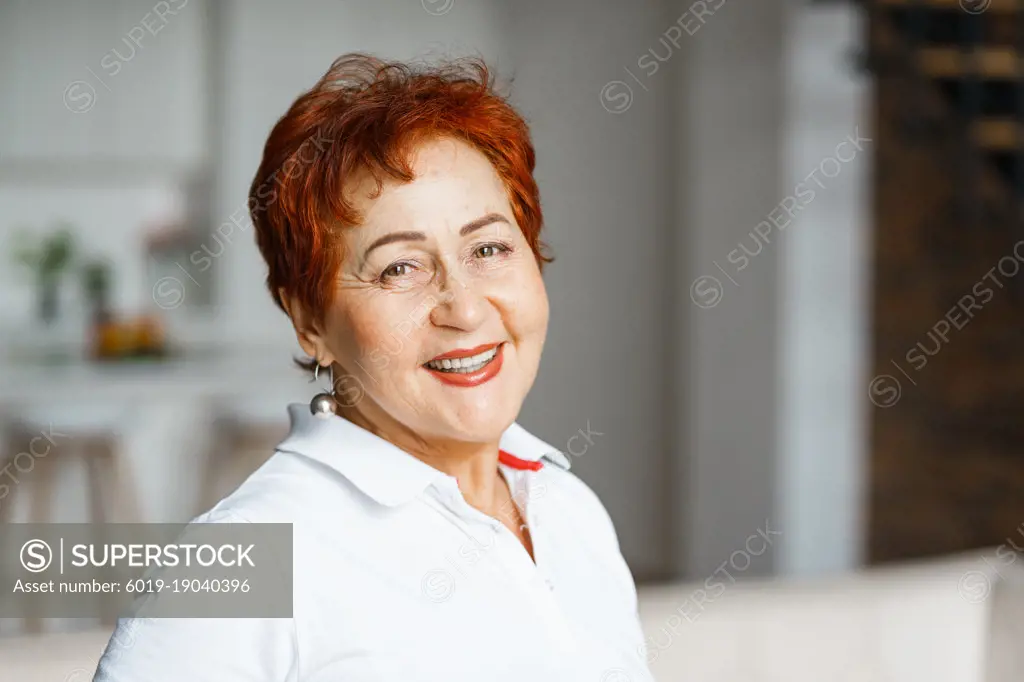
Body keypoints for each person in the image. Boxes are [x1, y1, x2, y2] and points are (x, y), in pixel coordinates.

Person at [93, 53, 653, 682]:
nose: (465, 308)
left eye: (490, 247)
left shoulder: (569, 509)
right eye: (399, 268)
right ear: (309, 320)